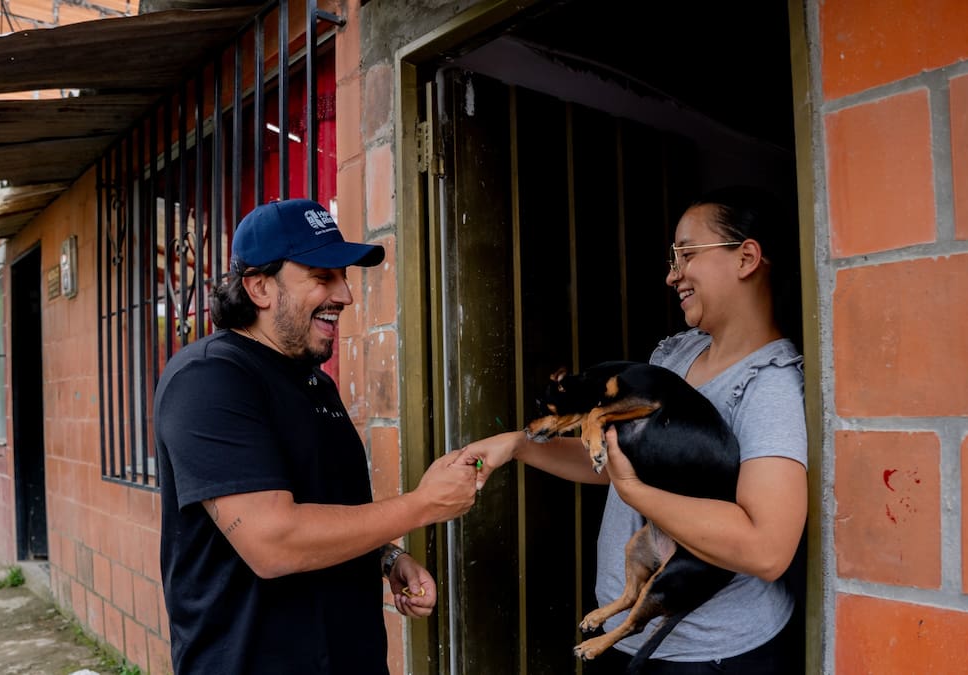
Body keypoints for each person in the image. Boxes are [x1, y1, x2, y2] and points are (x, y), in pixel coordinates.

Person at [460, 186, 807, 674]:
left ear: (746, 258)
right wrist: (518, 445)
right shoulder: (676, 354)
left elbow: (766, 550)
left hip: (709, 656)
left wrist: (632, 490)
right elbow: (613, 457)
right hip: (621, 639)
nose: (672, 274)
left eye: (686, 254)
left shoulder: (768, 385)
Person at [154, 198, 477, 674]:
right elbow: (273, 542)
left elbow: (325, 504)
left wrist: (386, 558)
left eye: (343, 276)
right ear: (260, 286)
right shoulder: (209, 379)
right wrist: (425, 504)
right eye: (322, 276)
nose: (345, 294)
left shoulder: (313, 381)